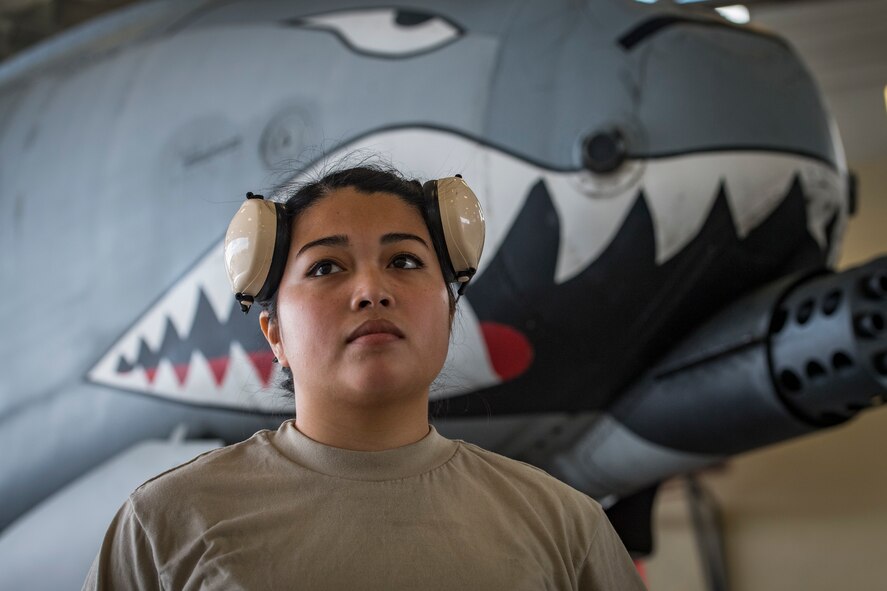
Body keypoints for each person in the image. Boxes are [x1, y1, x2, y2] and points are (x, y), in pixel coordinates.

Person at [83, 165, 645, 590]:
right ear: (273, 332)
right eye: (326, 267)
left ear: (448, 315)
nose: (371, 291)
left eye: (404, 261)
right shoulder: (166, 524)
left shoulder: (565, 527)